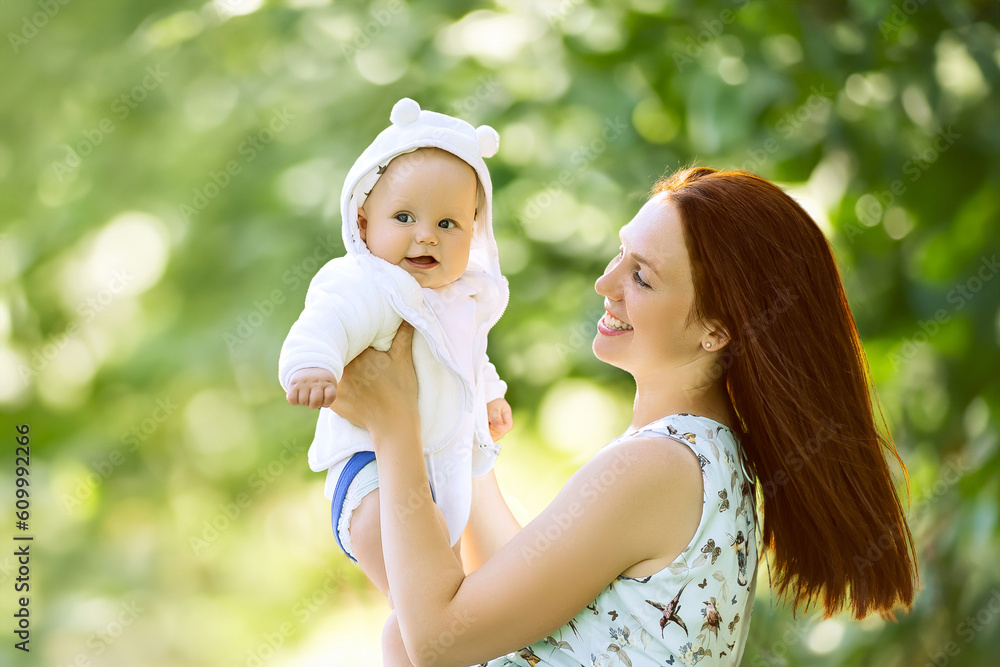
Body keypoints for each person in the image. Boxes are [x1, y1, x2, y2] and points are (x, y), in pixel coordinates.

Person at [328, 166, 919, 666]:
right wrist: (456, 422)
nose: (605, 283)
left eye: (642, 276)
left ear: (717, 330)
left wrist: (395, 428)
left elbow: (437, 639)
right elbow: (504, 597)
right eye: (621, 253)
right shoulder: (707, 457)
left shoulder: (659, 466)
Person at [278, 98, 514, 603]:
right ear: (364, 224)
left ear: (473, 233)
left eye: (448, 224)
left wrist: (489, 397)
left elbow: (467, 359)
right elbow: (326, 320)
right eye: (404, 216)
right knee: (428, 596)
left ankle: (406, 646)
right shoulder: (370, 283)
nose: (425, 235)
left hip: (433, 474)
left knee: (441, 595)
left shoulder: (457, 298)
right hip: (371, 476)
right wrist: (313, 364)